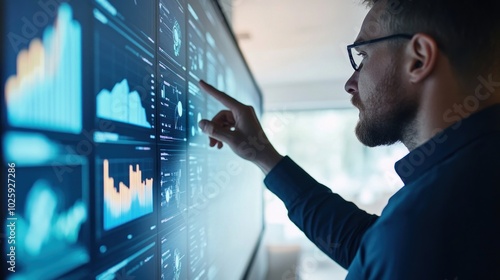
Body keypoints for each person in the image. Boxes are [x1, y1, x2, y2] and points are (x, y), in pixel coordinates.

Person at [198, 0, 500, 278]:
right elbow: (368, 247)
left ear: (419, 59)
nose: (350, 83)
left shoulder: (420, 224)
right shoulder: (467, 185)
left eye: (364, 56)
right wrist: (262, 154)